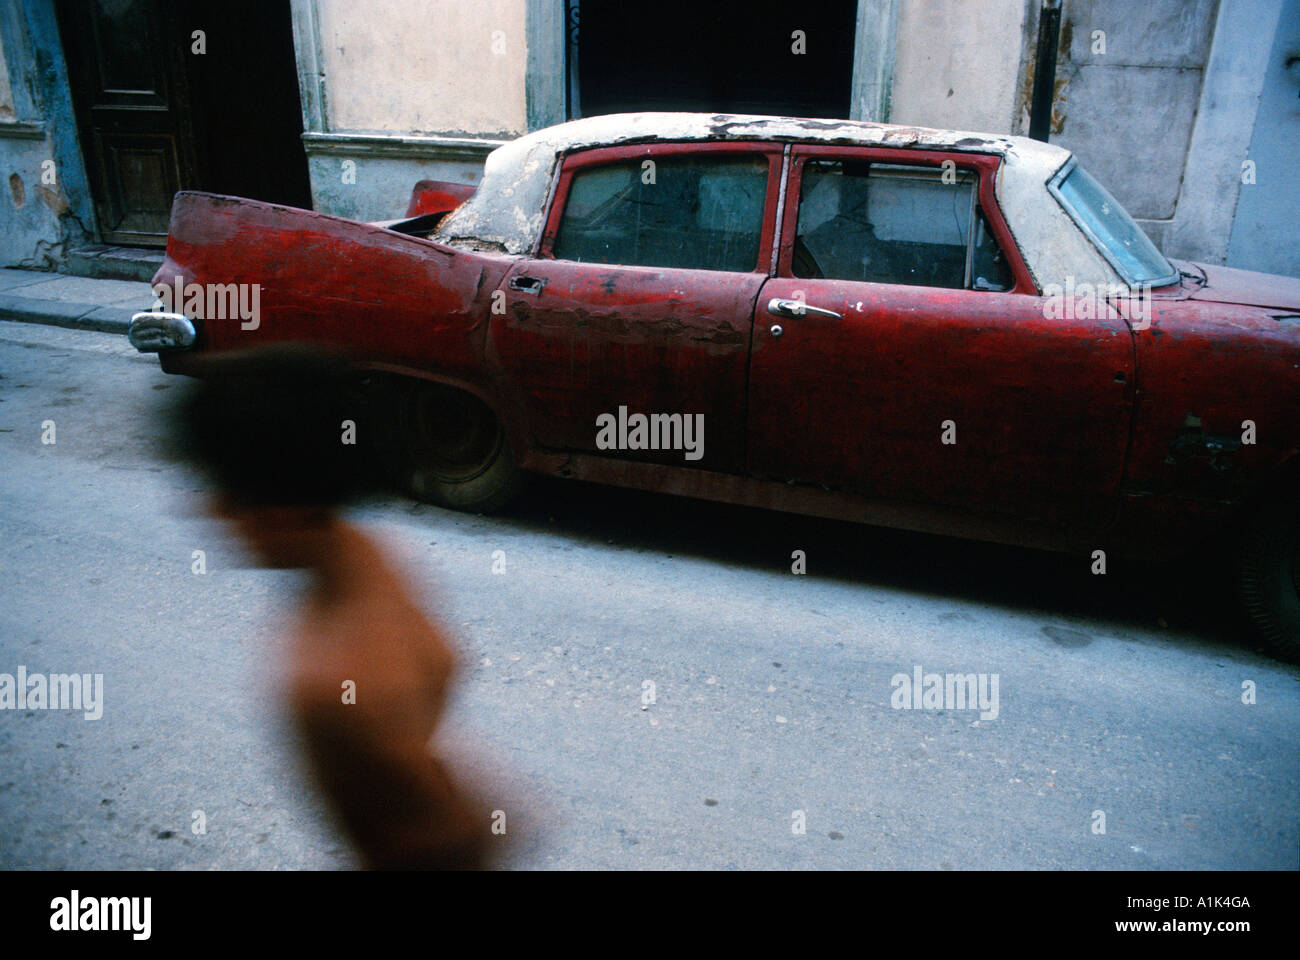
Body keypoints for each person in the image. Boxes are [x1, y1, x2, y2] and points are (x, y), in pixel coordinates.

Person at [170, 344, 487, 869]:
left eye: (223, 492)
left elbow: (457, 837)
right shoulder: (372, 557)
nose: (206, 511)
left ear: (283, 509)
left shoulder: (327, 684)